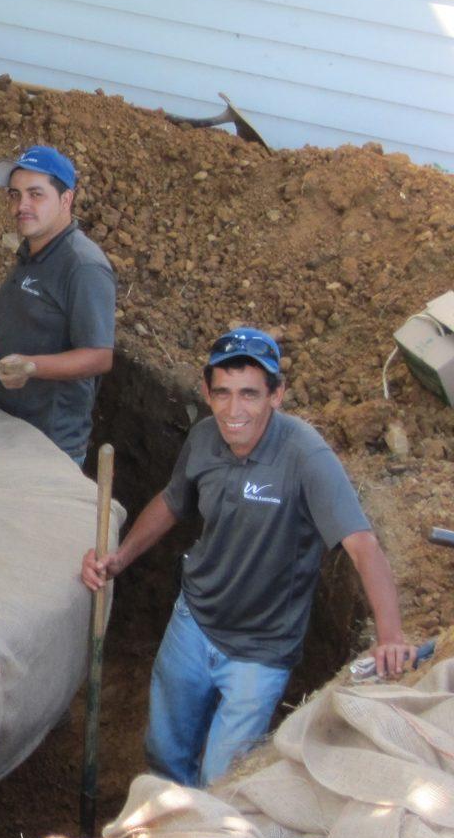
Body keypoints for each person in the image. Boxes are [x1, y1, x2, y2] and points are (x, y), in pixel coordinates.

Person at [81, 328, 410, 787]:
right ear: (206, 393)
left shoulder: (305, 457)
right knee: (164, 753)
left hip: (261, 650)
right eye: (224, 394)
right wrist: (119, 557)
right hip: (194, 622)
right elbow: (173, 502)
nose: (234, 411)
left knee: (222, 781)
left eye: (250, 395)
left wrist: (390, 636)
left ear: (277, 396)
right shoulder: (203, 439)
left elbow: (362, 545)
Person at [0, 145, 116, 465]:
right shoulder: (31, 251)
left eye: (36, 194)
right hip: (3, 423)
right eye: (15, 195)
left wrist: (33, 367)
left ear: (65, 200)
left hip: (47, 443)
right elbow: (28, 317)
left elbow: (99, 356)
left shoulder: (82, 266)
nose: (22, 206)